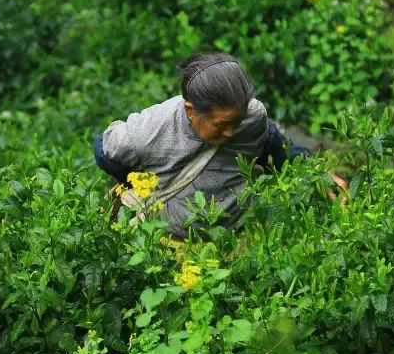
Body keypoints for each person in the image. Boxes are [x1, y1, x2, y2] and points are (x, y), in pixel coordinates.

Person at [94, 53, 345, 239]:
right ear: (191, 111)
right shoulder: (148, 131)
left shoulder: (253, 116)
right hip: (166, 243)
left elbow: (273, 143)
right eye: (222, 124)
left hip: (234, 240)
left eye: (238, 120)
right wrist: (141, 183)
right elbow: (104, 151)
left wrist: (314, 171)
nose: (232, 131)